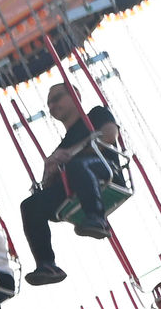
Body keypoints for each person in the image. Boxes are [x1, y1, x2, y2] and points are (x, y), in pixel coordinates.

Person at [16, 79, 126, 284]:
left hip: (104, 170)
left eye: (57, 98)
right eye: (49, 103)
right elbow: (52, 180)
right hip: (76, 184)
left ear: (75, 96)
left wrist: (71, 154)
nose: (52, 106)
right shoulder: (62, 145)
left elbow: (109, 136)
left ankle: (97, 218)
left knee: (77, 164)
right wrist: (49, 173)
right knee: (30, 205)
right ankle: (47, 264)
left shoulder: (96, 115)